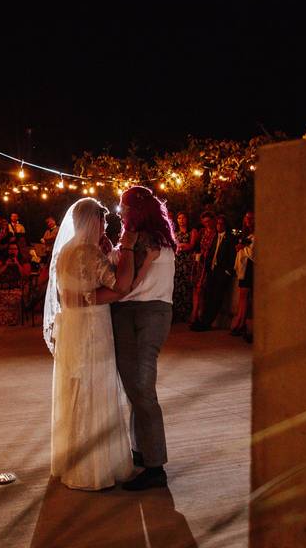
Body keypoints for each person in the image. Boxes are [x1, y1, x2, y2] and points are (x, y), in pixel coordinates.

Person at [44, 197, 136, 490]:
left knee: (75, 389)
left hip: (71, 327)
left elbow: (69, 294)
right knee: (97, 389)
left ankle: (70, 461)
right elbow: (120, 287)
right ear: (93, 222)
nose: (105, 226)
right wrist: (128, 251)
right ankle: (94, 469)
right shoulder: (90, 254)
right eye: (103, 221)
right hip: (94, 329)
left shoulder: (65, 253)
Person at [110, 186, 177, 490]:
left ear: (136, 210)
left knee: (141, 388)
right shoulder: (161, 238)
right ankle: (144, 452)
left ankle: (155, 466)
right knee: (138, 387)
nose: (119, 211)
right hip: (157, 311)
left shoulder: (141, 239)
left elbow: (123, 282)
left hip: (139, 313)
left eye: (123, 206)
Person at [190, 214, 237, 332]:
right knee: (208, 296)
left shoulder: (230, 238)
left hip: (222, 272)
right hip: (212, 270)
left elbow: (232, 256)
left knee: (216, 298)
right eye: (218, 223)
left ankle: (206, 323)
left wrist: (227, 272)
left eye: (221, 223)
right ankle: (203, 321)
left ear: (225, 225)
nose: (219, 225)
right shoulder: (216, 236)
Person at [231, 211, 255, 342]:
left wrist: (243, 247)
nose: (248, 221)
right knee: (242, 295)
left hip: (251, 266)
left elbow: (254, 250)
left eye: (251, 218)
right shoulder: (246, 234)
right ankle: (240, 320)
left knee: (245, 294)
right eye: (246, 218)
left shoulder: (256, 233)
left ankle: (242, 323)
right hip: (244, 266)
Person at [172, 212, 200, 322]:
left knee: (187, 285)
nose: (181, 220)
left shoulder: (192, 231)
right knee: (177, 285)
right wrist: (182, 246)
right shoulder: (175, 233)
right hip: (178, 262)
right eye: (179, 218)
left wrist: (181, 246)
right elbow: (175, 247)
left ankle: (188, 313)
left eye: (183, 218)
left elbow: (191, 246)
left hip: (188, 262)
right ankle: (178, 313)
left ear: (187, 219)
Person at [190, 211, 217, 324]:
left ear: (212, 220)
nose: (207, 224)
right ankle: (195, 313)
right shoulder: (202, 232)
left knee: (202, 289)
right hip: (199, 262)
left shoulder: (215, 233)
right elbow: (195, 245)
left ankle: (198, 314)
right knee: (196, 288)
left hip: (208, 263)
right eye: (204, 221)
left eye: (208, 221)